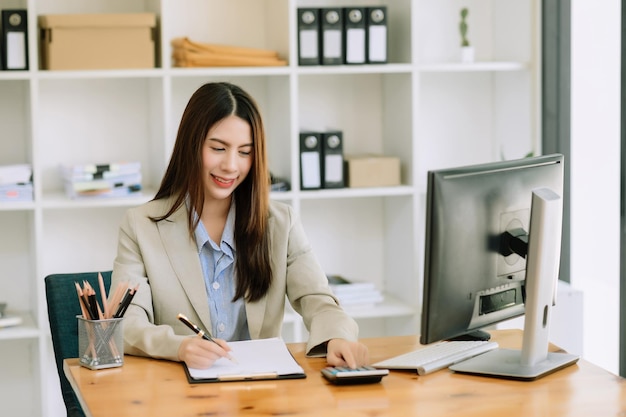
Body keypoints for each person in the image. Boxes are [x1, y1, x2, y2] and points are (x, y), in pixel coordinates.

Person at [110, 81, 369, 370]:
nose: (231, 165)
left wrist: (337, 338)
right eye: (219, 148)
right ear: (191, 144)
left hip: (260, 394)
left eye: (244, 152)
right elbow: (126, 323)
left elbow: (318, 300)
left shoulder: (280, 224)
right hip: (179, 390)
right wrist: (180, 347)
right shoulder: (141, 226)